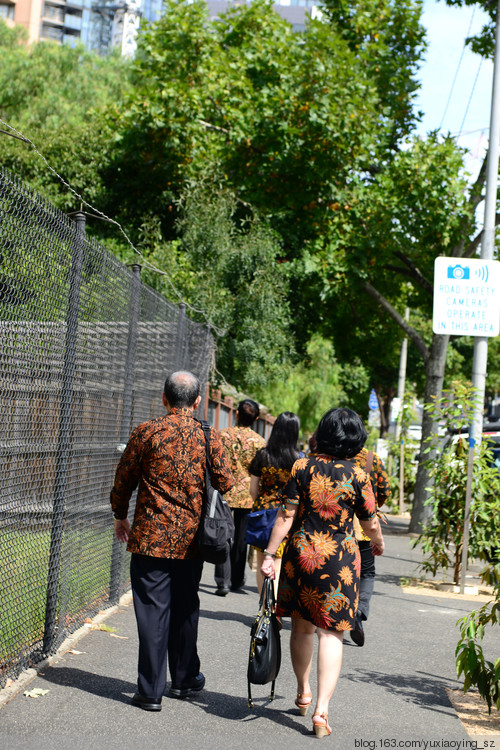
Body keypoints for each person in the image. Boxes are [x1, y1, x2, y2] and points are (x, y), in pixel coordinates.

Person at [110, 371, 234, 711]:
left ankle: (150, 691)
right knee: (185, 608)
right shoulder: (209, 435)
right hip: (192, 541)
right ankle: (183, 680)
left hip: (150, 539)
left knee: (152, 614)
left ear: (164, 399)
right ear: (197, 402)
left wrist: (121, 515)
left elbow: (124, 480)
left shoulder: (146, 432)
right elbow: (226, 481)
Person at [261, 407, 385, 738]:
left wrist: (269, 554)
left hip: (301, 556)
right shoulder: (358, 475)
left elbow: (285, 516)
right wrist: (378, 543)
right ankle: (321, 713)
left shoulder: (302, 466)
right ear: (356, 437)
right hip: (339, 562)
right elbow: (371, 521)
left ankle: (303, 693)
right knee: (331, 634)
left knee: (300, 630)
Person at [214, 399, 266, 596]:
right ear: (257, 418)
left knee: (223, 535)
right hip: (247, 495)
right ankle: (237, 579)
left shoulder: (222, 435)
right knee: (241, 538)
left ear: (236, 414)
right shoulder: (260, 442)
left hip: (225, 491)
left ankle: (222, 582)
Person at [249, 411, 301, 595]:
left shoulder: (263, 455)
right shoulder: (299, 459)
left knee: (263, 560)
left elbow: (252, 489)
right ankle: (274, 609)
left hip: (263, 513)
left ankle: (263, 606)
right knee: (277, 561)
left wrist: (261, 504)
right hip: (287, 514)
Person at [350, 446, 391, 647]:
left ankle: (330, 613)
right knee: (366, 572)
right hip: (364, 526)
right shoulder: (370, 459)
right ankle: (358, 612)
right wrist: (373, 505)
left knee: (338, 570)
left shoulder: (328, 454)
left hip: (334, 527)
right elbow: (384, 489)